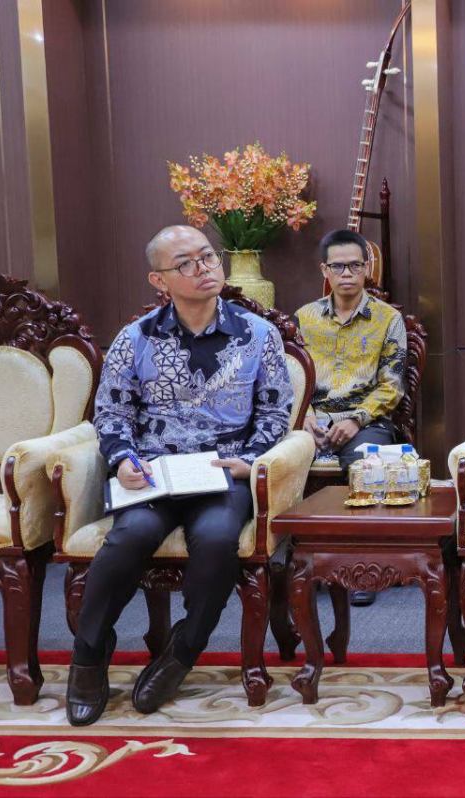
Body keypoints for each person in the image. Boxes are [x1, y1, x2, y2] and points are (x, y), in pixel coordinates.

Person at [67, 225, 294, 726]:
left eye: (207, 257)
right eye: (185, 263)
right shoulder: (135, 338)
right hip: (155, 473)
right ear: (159, 280)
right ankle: (88, 655)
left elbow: (276, 410)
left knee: (216, 539)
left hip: (222, 471)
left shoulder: (258, 334)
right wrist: (122, 459)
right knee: (130, 538)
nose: (203, 268)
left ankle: (184, 649)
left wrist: (252, 458)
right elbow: (111, 412)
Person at [295, 229, 407, 606]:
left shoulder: (388, 319)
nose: (347, 274)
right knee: (278, 461)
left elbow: (392, 384)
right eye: (338, 266)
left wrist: (356, 419)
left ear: (366, 268)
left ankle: (363, 568)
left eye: (355, 266)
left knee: (365, 463)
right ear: (324, 270)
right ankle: (295, 563)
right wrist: (305, 416)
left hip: (366, 420)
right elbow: (292, 377)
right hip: (312, 419)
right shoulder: (305, 318)